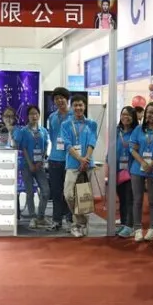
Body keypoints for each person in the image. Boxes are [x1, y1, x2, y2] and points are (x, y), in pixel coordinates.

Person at [60, 94, 97, 238]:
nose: (78, 108)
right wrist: (80, 159)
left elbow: (92, 142)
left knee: (83, 196)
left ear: (85, 106)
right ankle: (81, 221)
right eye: (75, 105)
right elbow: (67, 145)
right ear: (71, 107)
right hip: (72, 164)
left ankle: (78, 225)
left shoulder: (91, 124)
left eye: (80, 105)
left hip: (87, 164)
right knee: (69, 195)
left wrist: (85, 159)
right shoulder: (65, 125)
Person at [130, 102, 153, 241]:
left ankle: (152, 229)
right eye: (149, 112)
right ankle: (137, 229)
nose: (152, 115)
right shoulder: (138, 129)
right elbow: (132, 149)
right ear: (145, 114)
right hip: (138, 168)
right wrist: (143, 162)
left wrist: (152, 163)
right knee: (137, 200)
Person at [46, 87, 74, 232]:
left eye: (62, 97)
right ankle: (56, 220)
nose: (59, 100)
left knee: (69, 193)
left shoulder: (74, 115)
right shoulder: (52, 117)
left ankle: (69, 220)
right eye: (56, 98)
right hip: (54, 159)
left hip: (70, 159)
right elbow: (52, 136)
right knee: (56, 192)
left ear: (67, 99)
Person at [19, 105, 51, 229]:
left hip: (39, 165)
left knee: (46, 191)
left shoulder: (43, 131)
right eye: (31, 114)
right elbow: (24, 148)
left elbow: (45, 146)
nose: (34, 116)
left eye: (36, 113)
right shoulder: (24, 131)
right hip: (27, 165)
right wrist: (31, 164)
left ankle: (41, 217)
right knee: (29, 192)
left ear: (39, 115)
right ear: (28, 116)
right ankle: (32, 217)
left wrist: (41, 161)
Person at [115, 106, 138, 237]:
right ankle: (124, 224)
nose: (126, 117)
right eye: (123, 114)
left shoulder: (137, 131)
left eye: (129, 115)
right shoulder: (117, 131)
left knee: (130, 198)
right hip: (118, 169)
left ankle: (130, 226)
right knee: (122, 198)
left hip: (132, 169)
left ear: (133, 117)